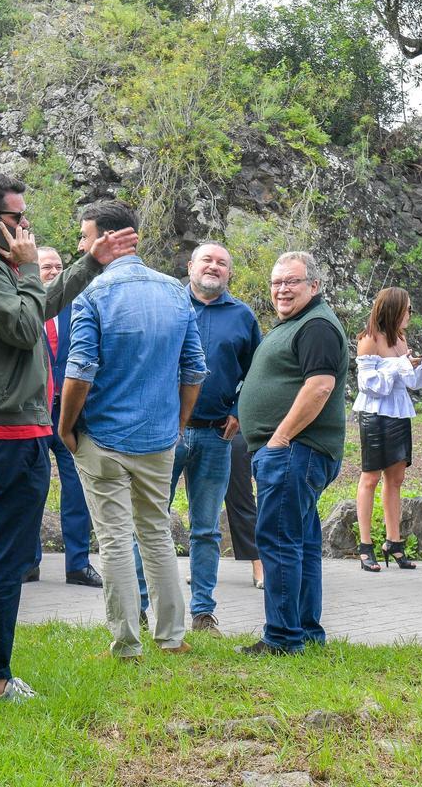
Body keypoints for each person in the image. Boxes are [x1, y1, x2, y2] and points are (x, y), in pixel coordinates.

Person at [0, 173, 134, 702]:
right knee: (2, 556)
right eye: (17, 217)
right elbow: (27, 328)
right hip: (6, 433)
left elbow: (36, 308)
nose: (26, 225)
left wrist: (89, 263)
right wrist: (29, 266)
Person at [59, 200, 207, 659]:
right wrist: (177, 423)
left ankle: (126, 643)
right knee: (156, 533)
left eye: (84, 237)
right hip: (159, 438)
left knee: (115, 540)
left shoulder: (93, 294)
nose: (80, 246)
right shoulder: (175, 291)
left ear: (107, 239)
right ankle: (172, 637)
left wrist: (65, 427)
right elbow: (194, 369)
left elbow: (80, 370)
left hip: (103, 437)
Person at [134, 241, 260, 633]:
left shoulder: (242, 316)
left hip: (215, 436)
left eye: (222, 262)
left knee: (206, 529)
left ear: (229, 273)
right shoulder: (166, 305)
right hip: (164, 434)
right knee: (149, 521)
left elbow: (256, 373)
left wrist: (239, 410)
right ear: (190, 266)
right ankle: (138, 606)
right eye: (207, 259)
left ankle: (203, 612)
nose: (214, 266)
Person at [236, 251, 348, 655]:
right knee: (300, 543)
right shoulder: (298, 323)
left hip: (295, 450)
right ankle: (304, 631)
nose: (282, 289)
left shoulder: (316, 325)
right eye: (276, 282)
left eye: (292, 281)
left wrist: (279, 438)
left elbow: (320, 387)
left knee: (279, 541)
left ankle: (283, 638)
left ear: (314, 286)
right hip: (293, 452)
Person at [25, 246, 101, 588]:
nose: (54, 272)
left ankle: (78, 565)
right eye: (46, 267)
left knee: (77, 490)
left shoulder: (78, 306)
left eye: (58, 266)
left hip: (71, 413)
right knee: (31, 489)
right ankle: (28, 562)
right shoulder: (25, 308)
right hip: (36, 411)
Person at [353, 287, 422, 572]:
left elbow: (411, 383)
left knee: (396, 478)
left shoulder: (401, 339)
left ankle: (393, 542)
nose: (410, 314)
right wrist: (398, 365)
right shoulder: (369, 339)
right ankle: (365, 545)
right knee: (370, 477)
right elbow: (368, 385)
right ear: (394, 309)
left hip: (398, 412)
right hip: (375, 414)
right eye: (408, 309)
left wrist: (416, 365)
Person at [224, 432, 263, 589]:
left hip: (235, 432)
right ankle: (200, 567)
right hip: (197, 430)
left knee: (241, 499)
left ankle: (259, 564)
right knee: (199, 503)